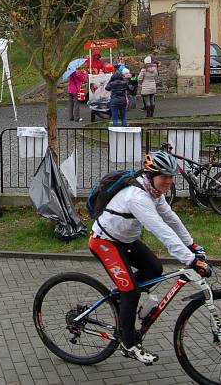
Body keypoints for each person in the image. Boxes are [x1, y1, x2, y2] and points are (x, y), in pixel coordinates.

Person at [89, 150, 210, 363]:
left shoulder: (154, 191)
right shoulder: (138, 197)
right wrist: (189, 260)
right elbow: (160, 229)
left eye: (172, 177)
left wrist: (191, 244)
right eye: (165, 176)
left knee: (154, 269)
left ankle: (121, 298)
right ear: (151, 174)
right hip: (104, 242)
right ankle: (129, 343)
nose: (169, 182)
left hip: (126, 240)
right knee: (131, 291)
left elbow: (171, 218)